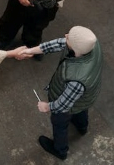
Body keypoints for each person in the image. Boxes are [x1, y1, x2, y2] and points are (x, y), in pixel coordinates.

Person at [20, 26, 102, 160]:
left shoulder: (77, 80)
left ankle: (60, 150)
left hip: (70, 101)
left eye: (68, 37)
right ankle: (82, 127)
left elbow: (63, 104)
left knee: (60, 123)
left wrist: (47, 106)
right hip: (86, 97)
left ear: (75, 49)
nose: (65, 35)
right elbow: (59, 43)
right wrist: (31, 51)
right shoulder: (91, 44)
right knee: (81, 109)